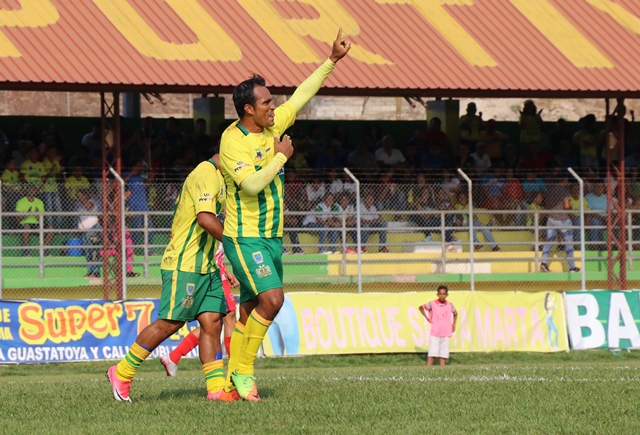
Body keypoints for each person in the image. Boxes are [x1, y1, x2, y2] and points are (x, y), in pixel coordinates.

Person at [218, 28, 350, 402]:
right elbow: (251, 186)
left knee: (247, 312)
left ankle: (229, 388)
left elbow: (303, 95)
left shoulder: (273, 124)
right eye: (266, 103)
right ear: (249, 109)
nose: (274, 107)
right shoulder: (233, 141)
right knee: (272, 300)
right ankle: (244, 372)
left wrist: (331, 60)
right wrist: (281, 157)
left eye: (273, 103)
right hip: (244, 237)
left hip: (272, 237)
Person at [107, 155, 234, 402]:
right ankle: (121, 372)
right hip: (184, 264)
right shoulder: (206, 173)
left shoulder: (223, 178)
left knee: (213, 322)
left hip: (207, 265)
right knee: (171, 323)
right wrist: (237, 245)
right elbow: (205, 219)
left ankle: (216, 389)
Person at [160, 244, 239, 376]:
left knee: (212, 322)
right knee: (229, 316)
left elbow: (214, 250)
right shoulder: (210, 223)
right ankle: (235, 370)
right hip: (213, 272)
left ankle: (174, 357)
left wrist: (226, 270)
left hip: (214, 269)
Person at [540, 180, 580, 273]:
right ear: (564, 180)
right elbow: (566, 206)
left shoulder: (549, 191)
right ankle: (572, 267)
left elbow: (545, 203)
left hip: (551, 219)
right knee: (568, 243)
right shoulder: (564, 191)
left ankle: (544, 262)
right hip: (563, 220)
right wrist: (571, 207)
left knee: (549, 241)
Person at [419, 285, 457, 366]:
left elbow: (455, 313)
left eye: (444, 294)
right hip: (435, 332)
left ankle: (442, 371)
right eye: (440, 294)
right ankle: (428, 370)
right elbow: (421, 308)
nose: (442, 296)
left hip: (446, 332)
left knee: (443, 354)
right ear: (437, 294)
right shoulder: (432, 304)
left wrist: (454, 324)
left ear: (447, 295)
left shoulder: (450, 305)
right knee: (432, 352)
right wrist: (427, 317)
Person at [76, 188, 101, 278]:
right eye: (78, 196)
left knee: (94, 251)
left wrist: (81, 198)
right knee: (88, 252)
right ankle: (90, 272)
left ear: (86, 196)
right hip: (85, 231)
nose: (79, 198)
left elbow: (88, 207)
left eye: (81, 196)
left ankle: (96, 272)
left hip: (93, 228)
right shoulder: (78, 204)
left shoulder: (93, 201)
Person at [15, 184, 44, 256]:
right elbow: (17, 219)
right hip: (24, 223)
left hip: (36, 224)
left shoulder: (39, 202)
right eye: (30, 189)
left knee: (50, 229)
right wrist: (26, 214)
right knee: (27, 227)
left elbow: (42, 218)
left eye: (33, 190)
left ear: (35, 191)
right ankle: (26, 252)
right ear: (27, 191)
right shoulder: (21, 201)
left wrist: (37, 215)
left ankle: (45, 251)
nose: (31, 191)